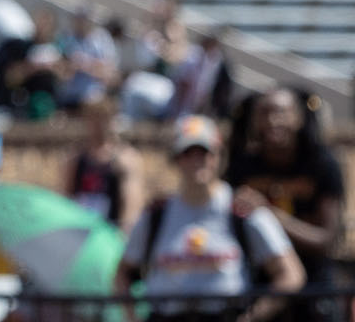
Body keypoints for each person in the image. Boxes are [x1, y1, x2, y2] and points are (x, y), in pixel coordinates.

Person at [117, 115, 303, 322]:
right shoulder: (156, 214)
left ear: (218, 157)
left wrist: (252, 317)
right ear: (177, 158)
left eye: (204, 152)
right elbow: (122, 274)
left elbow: (291, 275)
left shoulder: (242, 210)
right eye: (188, 153)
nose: (197, 161)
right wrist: (132, 317)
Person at [226, 88, 345, 319]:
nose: (273, 120)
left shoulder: (322, 164)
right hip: (262, 290)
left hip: (314, 292)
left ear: (299, 118)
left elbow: (326, 241)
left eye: (281, 112)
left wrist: (268, 213)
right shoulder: (242, 167)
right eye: (264, 113)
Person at [65, 96, 144, 231]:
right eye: (93, 118)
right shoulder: (76, 158)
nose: (98, 124)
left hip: (110, 232)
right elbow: (66, 199)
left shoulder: (125, 159)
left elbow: (131, 205)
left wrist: (123, 235)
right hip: (81, 230)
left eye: (103, 117)